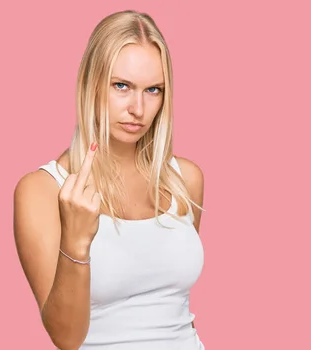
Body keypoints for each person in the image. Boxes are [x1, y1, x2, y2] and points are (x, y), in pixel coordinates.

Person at [13, 9, 206, 350]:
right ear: (91, 83)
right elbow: (66, 338)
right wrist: (75, 240)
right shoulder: (43, 190)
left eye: (153, 90)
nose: (138, 108)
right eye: (122, 86)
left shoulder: (184, 179)